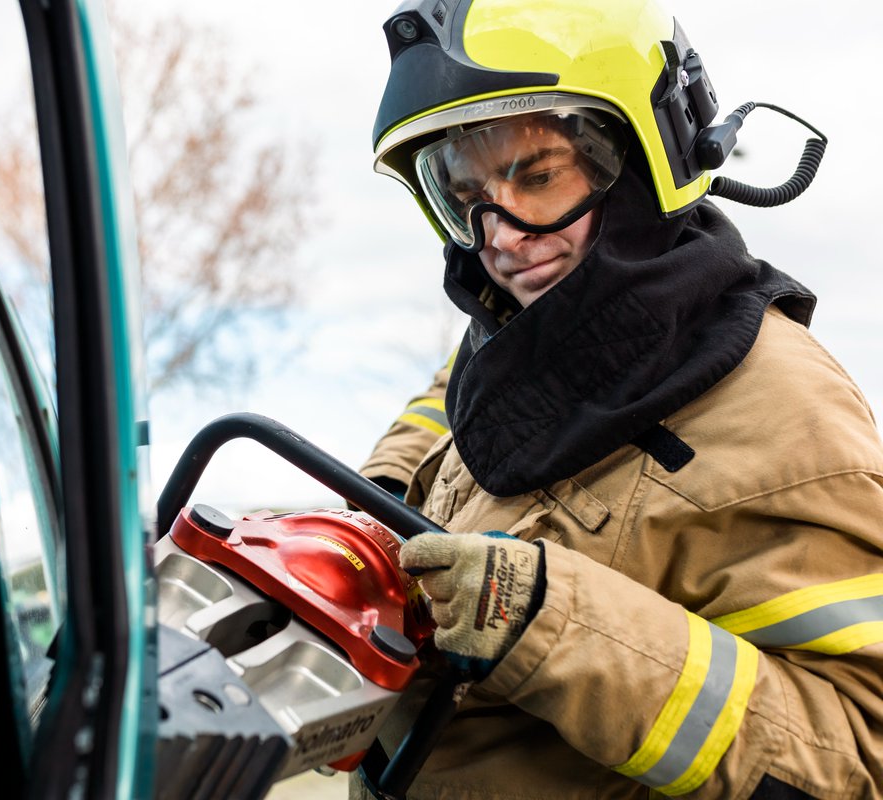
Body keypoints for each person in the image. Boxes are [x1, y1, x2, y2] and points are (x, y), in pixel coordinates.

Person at [355, 1, 883, 798]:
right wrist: (377, 498)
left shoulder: (794, 419)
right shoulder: (527, 339)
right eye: (465, 194)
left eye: (536, 176)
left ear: (645, 154)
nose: (498, 235)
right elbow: (452, 405)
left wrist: (556, 622)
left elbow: (854, 756)